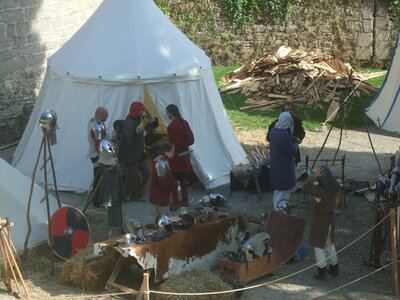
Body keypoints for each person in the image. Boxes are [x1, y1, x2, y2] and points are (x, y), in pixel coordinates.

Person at [301, 166, 340, 281]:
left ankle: (321, 271)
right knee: (329, 243)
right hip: (330, 218)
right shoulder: (336, 186)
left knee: (318, 246)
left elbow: (305, 187)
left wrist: (314, 176)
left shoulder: (320, 192)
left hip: (320, 221)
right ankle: (334, 267)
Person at [118, 101, 158, 202]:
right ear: (136, 111)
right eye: (140, 111)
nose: (141, 113)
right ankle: (122, 196)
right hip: (129, 154)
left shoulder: (139, 118)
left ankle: (136, 195)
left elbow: (152, 125)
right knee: (136, 177)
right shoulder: (128, 122)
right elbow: (127, 137)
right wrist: (138, 129)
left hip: (138, 152)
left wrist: (151, 118)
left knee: (146, 173)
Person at [268, 112, 299, 211]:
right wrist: (296, 145)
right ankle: (280, 209)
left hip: (275, 163)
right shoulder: (283, 134)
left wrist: (293, 139)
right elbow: (291, 150)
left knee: (278, 189)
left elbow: (281, 141)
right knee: (284, 190)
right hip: (284, 164)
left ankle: (276, 206)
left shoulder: (274, 131)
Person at [166, 104, 194, 209]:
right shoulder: (184, 123)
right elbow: (191, 140)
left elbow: (175, 144)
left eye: (167, 112)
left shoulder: (172, 126)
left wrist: (170, 153)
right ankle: (185, 201)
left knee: (174, 180)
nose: (167, 114)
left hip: (177, 157)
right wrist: (184, 145)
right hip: (185, 156)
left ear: (170, 112)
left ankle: (176, 203)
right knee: (183, 179)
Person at [97, 139, 124, 238]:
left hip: (113, 199)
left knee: (114, 219)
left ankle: (114, 236)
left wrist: (104, 200)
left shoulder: (109, 173)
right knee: (115, 217)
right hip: (115, 198)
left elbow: (107, 190)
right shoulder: (113, 170)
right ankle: (116, 233)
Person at [149, 141, 179, 222]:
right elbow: (162, 184)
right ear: (166, 152)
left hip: (160, 196)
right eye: (172, 152)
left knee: (159, 219)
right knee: (164, 221)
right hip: (160, 197)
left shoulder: (162, 161)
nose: (174, 154)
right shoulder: (161, 163)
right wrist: (176, 183)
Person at [87, 106, 108, 207]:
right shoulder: (95, 126)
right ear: (100, 115)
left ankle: (98, 198)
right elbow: (98, 143)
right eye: (105, 115)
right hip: (96, 153)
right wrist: (103, 154)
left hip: (98, 152)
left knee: (100, 177)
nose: (107, 116)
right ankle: (96, 201)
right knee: (98, 178)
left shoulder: (98, 122)